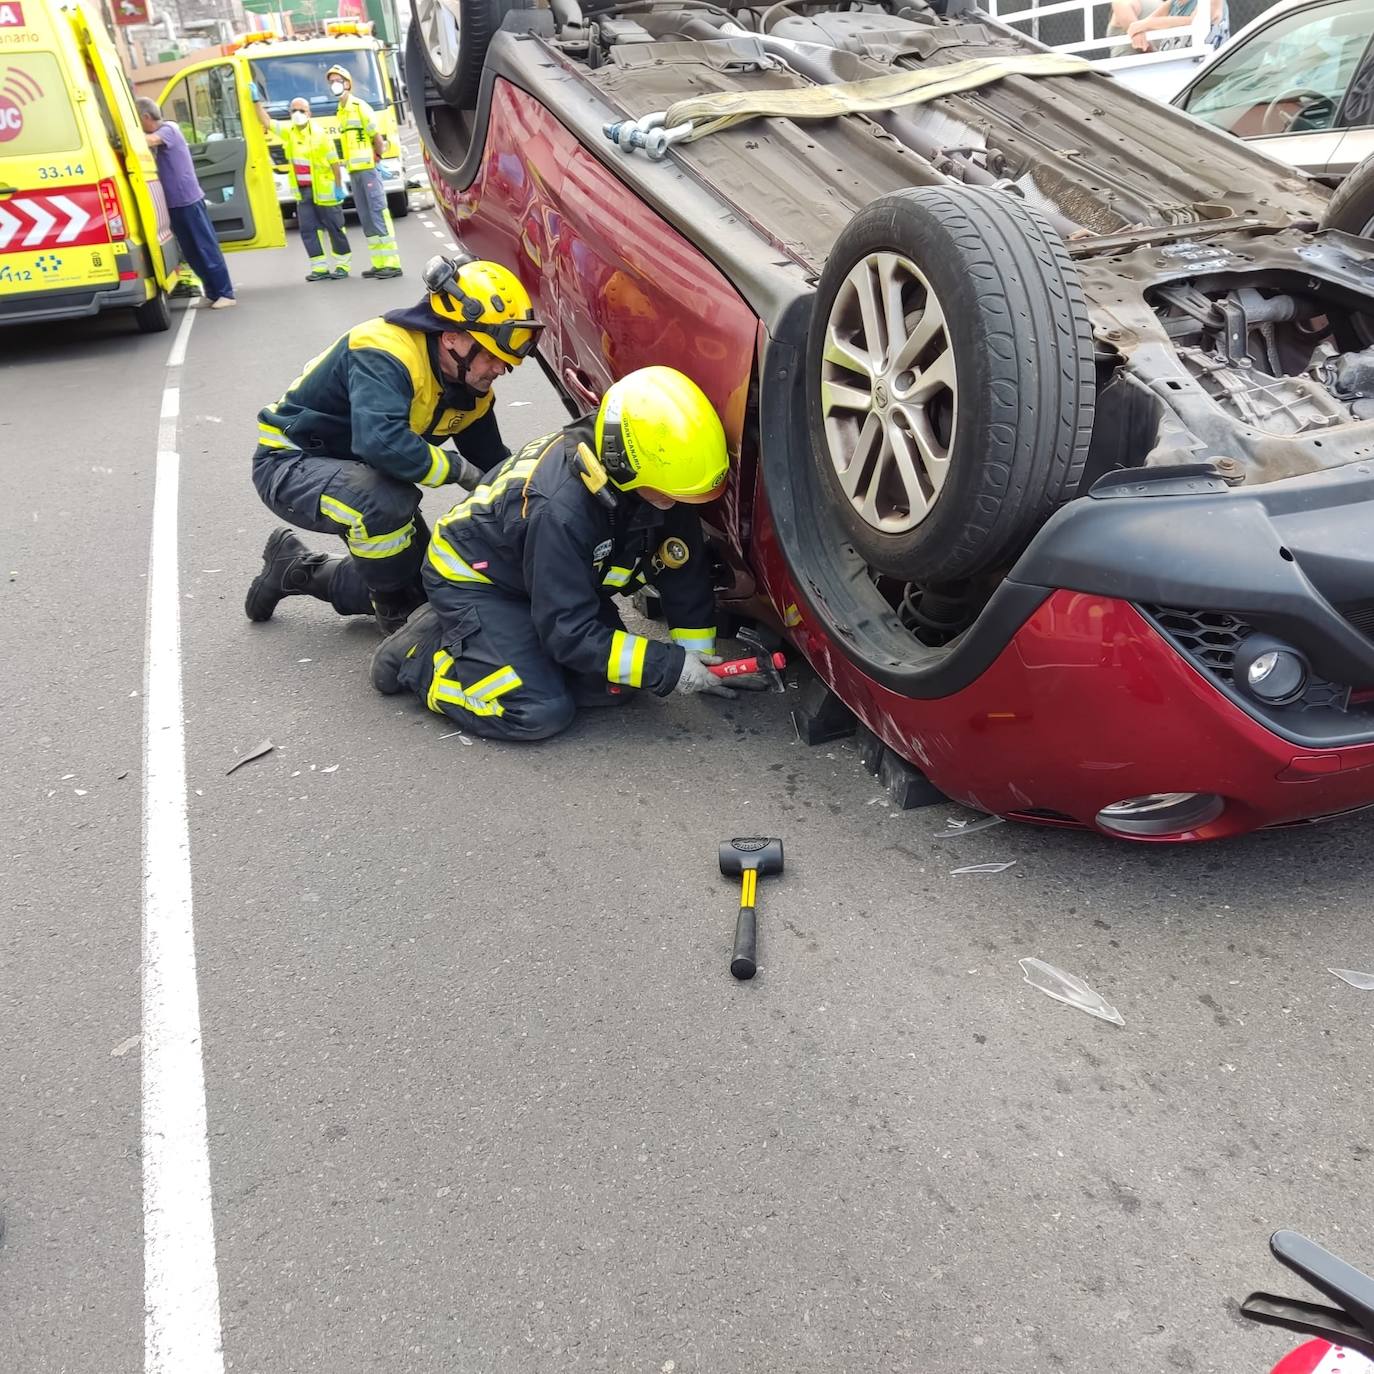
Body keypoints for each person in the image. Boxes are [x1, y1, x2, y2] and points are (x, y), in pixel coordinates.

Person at [370, 365, 767, 741]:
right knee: (538, 709)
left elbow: (682, 566)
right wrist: (668, 666)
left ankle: (501, 643)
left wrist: (698, 658)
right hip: (478, 580)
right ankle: (420, 659)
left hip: (545, 576)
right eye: (670, 494)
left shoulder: (652, 478)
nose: (676, 503)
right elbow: (567, 631)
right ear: (625, 467)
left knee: (615, 687)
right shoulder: (562, 510)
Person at [245, 254, 541, 634]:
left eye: (505, 360)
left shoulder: (470, 387)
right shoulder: (385, 351)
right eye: (490, 356)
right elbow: (381, 444)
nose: (499, 369)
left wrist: (535, 497)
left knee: (430, 586)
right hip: (290, 464)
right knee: (382, 504)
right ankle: (393, 610)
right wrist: (459, 471)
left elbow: (493, 465)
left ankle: (297, 570)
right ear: (451, 335)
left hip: (364, 478)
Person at [135, 98, 236, 309]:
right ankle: (213, 291)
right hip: (174, 204)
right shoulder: (162, 133)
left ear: (146, 117)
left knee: (206, 247)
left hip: (188, 200)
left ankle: (226, 292)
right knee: (191, 251)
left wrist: (128, 133)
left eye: (137, 119)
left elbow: (149, 141)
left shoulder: (168, 129)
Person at [256, 96, 352, 281]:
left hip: (325, 191)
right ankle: (320, 268)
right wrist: (255, 102)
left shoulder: (320, 135)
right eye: (294, 110)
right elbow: (266, 121)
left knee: (334, 228)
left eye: (301, 110)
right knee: (308, 230)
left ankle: (342, 266)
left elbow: (334, 163)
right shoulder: (288, 131)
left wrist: (338, 187)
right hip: (303, 192)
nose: (297, 114)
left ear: (309, 113)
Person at [327, 63, 403, 281]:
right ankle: (379, 263)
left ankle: (392, 264)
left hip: (368, 170)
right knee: (366, 217)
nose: (334, 85)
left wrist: (377, 157)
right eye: (331, 82)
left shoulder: (360, 107)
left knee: (378, 213)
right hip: (355, 172)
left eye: (337, 81)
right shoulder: (340, 112)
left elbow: (377, 138)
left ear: (348, 83)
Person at [1125, 0, 1229, 51]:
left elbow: (1195, 21)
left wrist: (1144, 25)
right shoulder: (1173, 3)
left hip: (1205, 73)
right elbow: (1136, 27)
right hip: (1173, 71)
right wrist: (1139, 31)